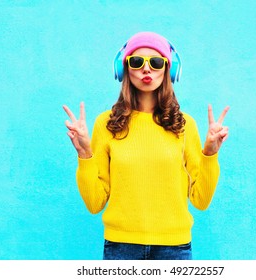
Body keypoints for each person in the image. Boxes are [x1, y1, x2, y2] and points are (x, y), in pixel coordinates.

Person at [63, 31, 229, 260]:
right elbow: (94, 203)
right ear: (124, 69)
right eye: (137, 61)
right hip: (121, 247)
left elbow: (200, 200)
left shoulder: (185, 125)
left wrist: (210, 152)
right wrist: (84, 153)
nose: (147, 69)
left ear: (168, 69)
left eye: (156, 62)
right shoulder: (106, 124)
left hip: (174, 247)